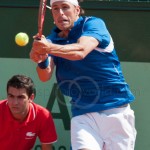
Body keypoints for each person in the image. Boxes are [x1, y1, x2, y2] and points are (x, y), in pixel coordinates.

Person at [30, 0, 137, 149]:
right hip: (82, 114)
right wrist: (41, 60)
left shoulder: (93, 24)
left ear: (77, 10)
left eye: (65, 7)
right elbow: (44, 76)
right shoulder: (51, 39)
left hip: (115, 111)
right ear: (52, 14)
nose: (60, 13)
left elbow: (80, 51)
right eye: (55, 9)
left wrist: (48, 48)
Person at [0, 75, 57, 150]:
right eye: (11, 96)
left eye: (20, 97)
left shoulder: (43, 115)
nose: (15, 102)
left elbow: (47, 148)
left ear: (31, 98)